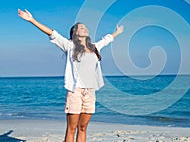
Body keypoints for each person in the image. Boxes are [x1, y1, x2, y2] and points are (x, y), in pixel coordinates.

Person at [18, 9, 124, 142]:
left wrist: (117, 32)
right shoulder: (69, 46)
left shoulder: (94, 47)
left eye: (85, 27)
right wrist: (32, 20)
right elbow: (52, 33)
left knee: (83, 127)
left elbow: (107, 39)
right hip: (75, 91)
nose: (85, 28)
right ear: (75, 33)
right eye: (81, 27)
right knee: (72, 128)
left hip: (90, 92)